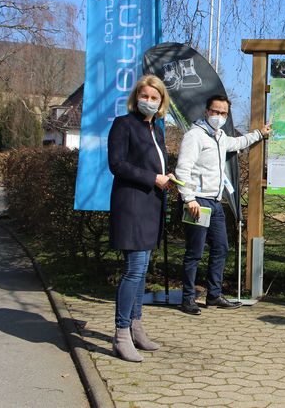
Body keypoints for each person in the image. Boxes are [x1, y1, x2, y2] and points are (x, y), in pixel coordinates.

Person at [176, 95, 271, 314]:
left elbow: (238, 143)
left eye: (223, 113)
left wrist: (260, 134)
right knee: (195, 252)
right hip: (197, 201)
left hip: (216, 203)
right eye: (215, 112)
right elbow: (183, 169)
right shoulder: (194, 136)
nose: (219, 116)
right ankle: (188, 298)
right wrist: (188, 198)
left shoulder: (220, 137)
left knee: (221, 248)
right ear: (207, 111)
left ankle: (214, 295)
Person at [108, 74, 173, 363]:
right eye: (144, 96)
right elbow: (117, 164)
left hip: (151, 206)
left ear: (161, 102)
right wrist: (153, 177)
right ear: (136, 98)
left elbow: (156, 164)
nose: (149, 101)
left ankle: (136, 327)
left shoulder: (157, 129)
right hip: (132, 206)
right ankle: (121, 334)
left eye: (154, 97)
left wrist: (167, 178)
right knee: (133, 270)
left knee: (143, 270)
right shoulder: (123, 125)